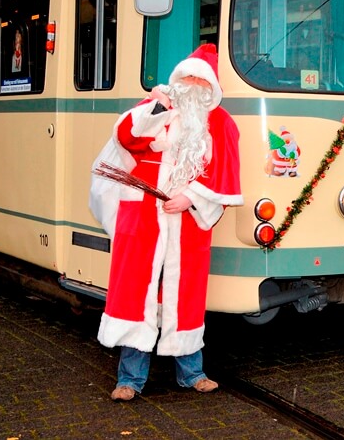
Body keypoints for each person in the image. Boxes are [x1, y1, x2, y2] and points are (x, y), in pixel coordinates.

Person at [89, 43, 242, 402]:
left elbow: (225, 172)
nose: (193, 86)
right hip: (142, 216)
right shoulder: (156, 106)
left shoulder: (221, 122)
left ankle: (192, 374)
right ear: (177, 79)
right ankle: (130, 379)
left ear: (211, 88)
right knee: (135, 292)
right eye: (188, 78)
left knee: (185, 294)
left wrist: (191, 197)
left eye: (201, 81)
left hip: (187, 223)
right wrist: (157, 106)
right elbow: (125, 137)